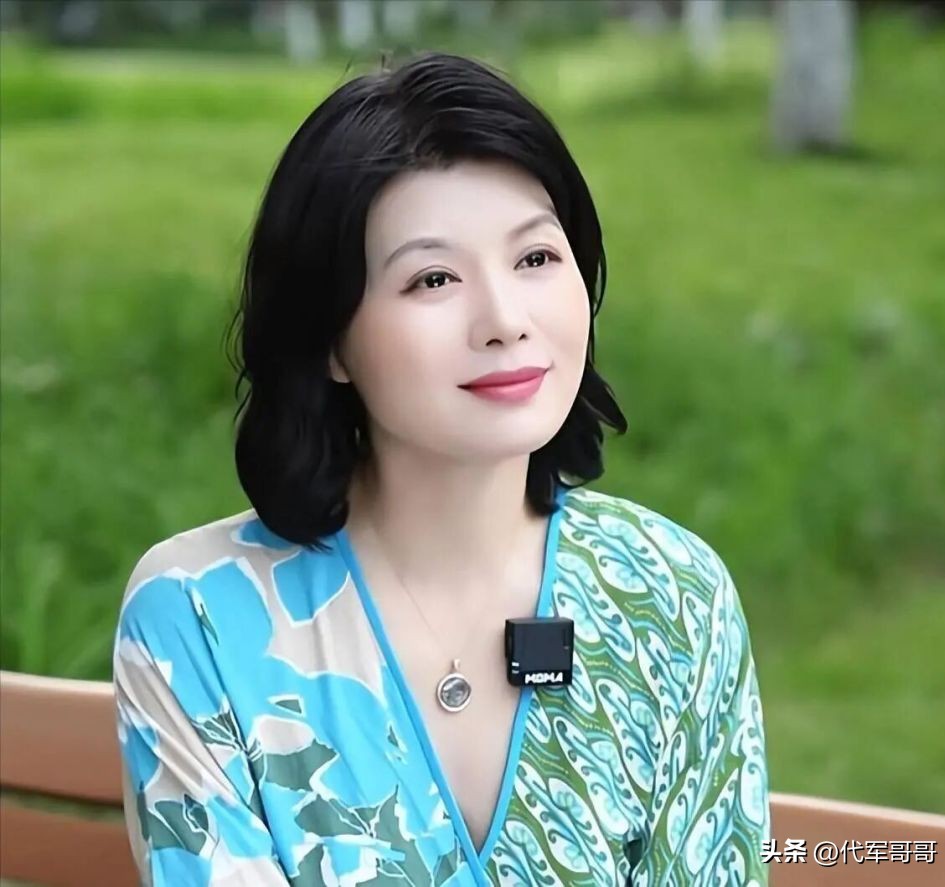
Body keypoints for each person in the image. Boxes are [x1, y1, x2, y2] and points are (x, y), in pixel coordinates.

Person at [112, 50, 769, 887]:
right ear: (330, 340)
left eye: (536, 259)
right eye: (433, 278)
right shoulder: (201, 617)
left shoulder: (669, 595)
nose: (504, 320)